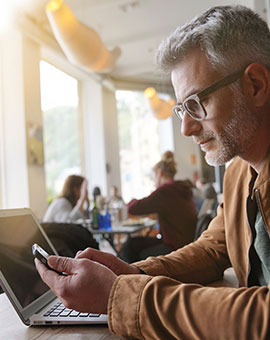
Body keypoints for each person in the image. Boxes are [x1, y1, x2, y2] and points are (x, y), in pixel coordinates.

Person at [35, 5, 270, 339]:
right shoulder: (237, 174)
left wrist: (122, 297)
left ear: (256, 85)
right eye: (180, 109)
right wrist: (130, 273)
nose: (187, 128)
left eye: (196, 103)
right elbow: (211, 250)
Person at [119, 151, 197, 262]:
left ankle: (135, 276)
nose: (154, 181)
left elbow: (133, 208)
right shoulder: (180, 188)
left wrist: (131, 200)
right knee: (132, 243)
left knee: (130, 248)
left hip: (174, 246)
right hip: (185, 241)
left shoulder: (165, 191)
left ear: (159, 173)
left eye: (154, 177)